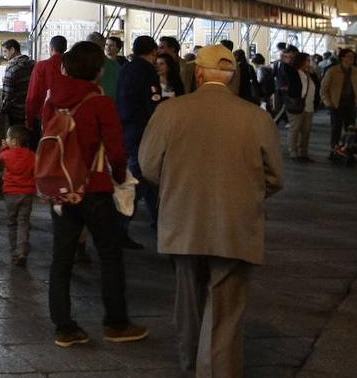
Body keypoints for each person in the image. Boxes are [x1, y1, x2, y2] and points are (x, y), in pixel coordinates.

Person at [139, 44, 283, 377]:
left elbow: (148, 166)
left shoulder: (170, 111)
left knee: (187, 299)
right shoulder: (256, 117)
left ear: (199, 74)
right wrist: (245, 193)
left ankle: (189, 362)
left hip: (182, 218)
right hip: (236, 223)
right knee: (226, 303)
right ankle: (216, 370)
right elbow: (274, 176)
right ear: (232, 76)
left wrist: (177, 186)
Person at [42, 40, 148, 348]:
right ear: (99, 71)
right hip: (94, 188)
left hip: (61, 187)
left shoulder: (53, 99)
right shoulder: (99, 102)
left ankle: (64, 327)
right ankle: (116, 323)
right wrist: (119, 179)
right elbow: (116, 151)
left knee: (61, 258)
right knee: (110, 254)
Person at [115, 35, 161, 246]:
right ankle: (120, 227)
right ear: (153, 52)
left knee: (146, 181)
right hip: (142, 132)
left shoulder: (126, 68)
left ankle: (159, 221)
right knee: (140, 181)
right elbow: (152, 104)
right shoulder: (147, 71)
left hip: (127, 130)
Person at [0, 125, 36, 266]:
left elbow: (0, 157)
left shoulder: (7, 154)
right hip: (27, 194)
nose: (6, 140)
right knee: (24, 222)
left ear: (14, 141)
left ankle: (14, 251)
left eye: (8, 138)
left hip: (11, 195)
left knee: (12, 223)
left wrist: (4, 148)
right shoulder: (32, 156)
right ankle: (22, 251)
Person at [321, 48, 357, 156]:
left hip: (351, 103)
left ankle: (348, 149)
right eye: (349, 56)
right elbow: (324, 88)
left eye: (353, 57)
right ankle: (334, 149)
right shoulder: (332, 71)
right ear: (342, 58)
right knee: (336, 127)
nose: (351, 59)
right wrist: (328, 102)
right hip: (336, 103)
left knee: (350, 128)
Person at [26, 35, 67, 138]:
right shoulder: (71, 66)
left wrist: (29, 119)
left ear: (51, 48)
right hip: (65, 117)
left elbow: (33, 95)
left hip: (43, 116)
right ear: (65, 49)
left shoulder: (42, 66)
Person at [0, 39, 34, 133]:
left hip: (16, 112)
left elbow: (7, 94)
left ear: (12, 50)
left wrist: (3, 110)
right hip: (31, 110)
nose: (4, 55)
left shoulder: (11, 68)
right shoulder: (32, 64)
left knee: (17, 138)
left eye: (5, 51)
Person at [285, 53, 315, 161]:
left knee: (306, 131)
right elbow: (287, 70)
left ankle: (304, 152)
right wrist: (288, 60)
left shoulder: (308, 74)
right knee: (295, 129)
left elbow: (317, 85)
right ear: (301, 61)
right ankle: (293, 151)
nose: (309, 62)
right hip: (297, 105)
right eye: (307, 60)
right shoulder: (295, 73)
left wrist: (313, 74)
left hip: (309, 106)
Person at [88, 32, 120, 99]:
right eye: (106, 45)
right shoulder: (107, 63)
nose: (107, 47)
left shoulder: (113, 65)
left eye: (111, 45)